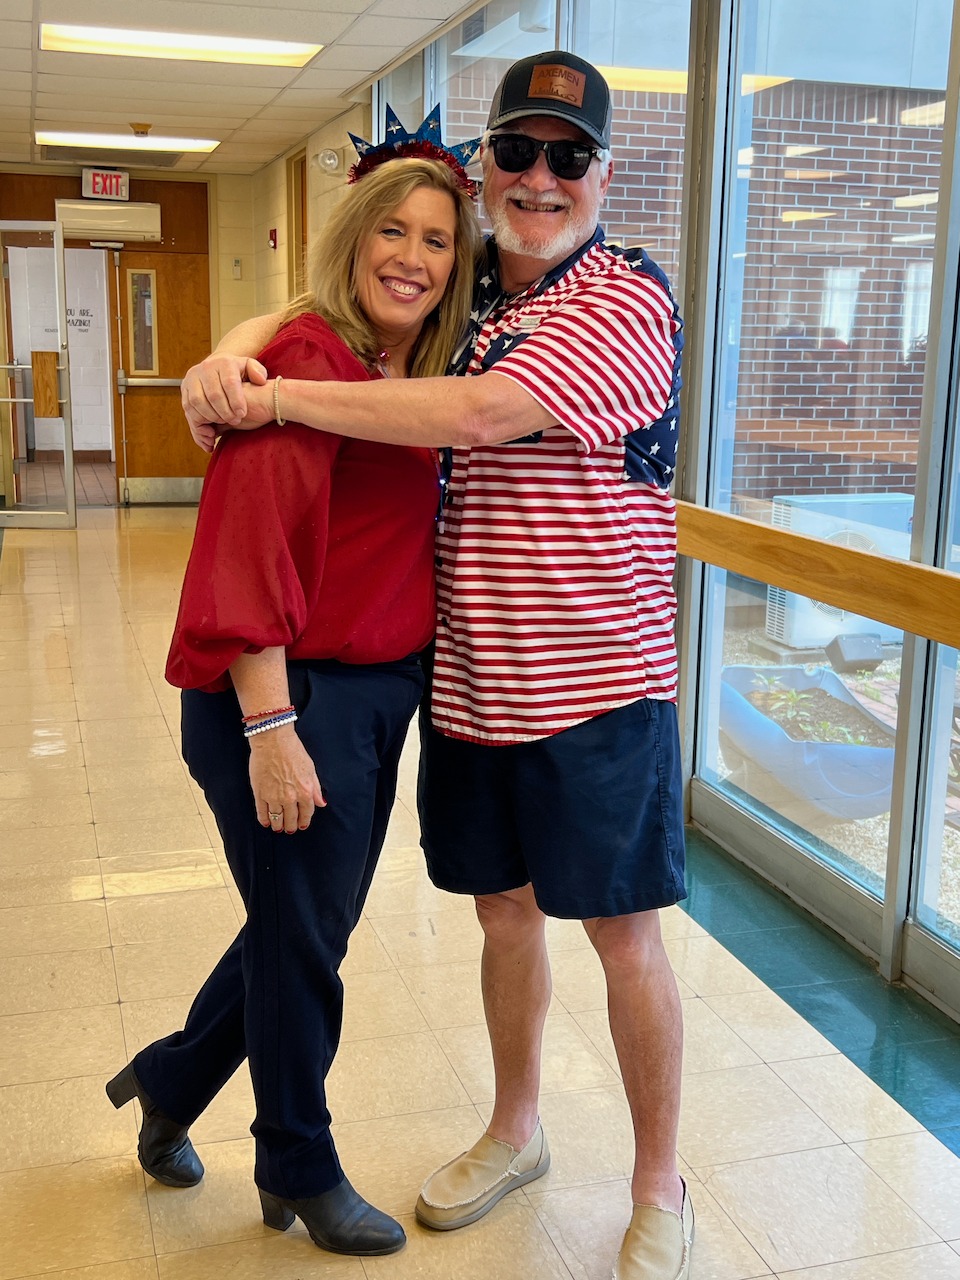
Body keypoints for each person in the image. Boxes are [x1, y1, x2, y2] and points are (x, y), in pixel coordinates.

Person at [182, 51, 693, 1280]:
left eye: (569, 157)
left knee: (624, 937)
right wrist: (235, 350)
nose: (539, 178)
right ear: (486, 169)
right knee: (503, 917)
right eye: (517, 151)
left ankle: (659, 1181)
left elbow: (474, 417)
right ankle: (517, 1128)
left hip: (596, 688)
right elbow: (338, 310)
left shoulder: (624, 297)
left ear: (604, 175)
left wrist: (274, 396)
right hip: (463, 688)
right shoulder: (465, 304)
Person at [105, 145, 481, 1259]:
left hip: (370, 695)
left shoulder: (407, 368)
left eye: (436, 239)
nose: (412, 257)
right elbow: (248, 550)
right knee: (305, 938)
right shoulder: (307, 361)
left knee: (300, 927)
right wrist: (272, 730)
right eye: (391, 230)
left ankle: (171, 1082)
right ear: (353, 238)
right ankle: (298, 1160)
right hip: (285, 694)